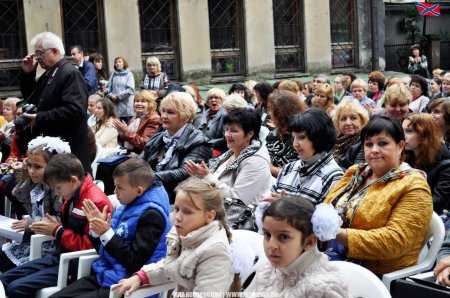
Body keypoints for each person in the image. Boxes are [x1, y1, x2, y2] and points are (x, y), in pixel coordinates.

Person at [324, 116, 433, 275]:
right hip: (333, 257)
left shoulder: (414, 186)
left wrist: (338, 234)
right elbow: (328, 206)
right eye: (369, 144)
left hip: (376, 274)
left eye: (383, 143)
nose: (374, 150)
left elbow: (395, 241)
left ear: (400, 146)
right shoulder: (356, 172)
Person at [49, 159, 171, 298]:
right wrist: (96, 231)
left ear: (138, 190)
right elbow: (105, 250)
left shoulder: (152, 216)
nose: (114, 192)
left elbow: (134, 262)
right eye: (115, 186)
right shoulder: (127, 204)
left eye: (120, 188)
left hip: (126, 286)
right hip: (105, 274)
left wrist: (106, 233)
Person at [0, 153, 112, 297]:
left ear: (73, 180)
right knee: (4, 279)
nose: (57, 193)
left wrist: (57, 231)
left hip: (75, 263)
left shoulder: (95, 202)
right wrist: (52, 226)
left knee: (16, 288)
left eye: (58, 188)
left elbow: (92, 246)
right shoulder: (72, 193)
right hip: (59, 254)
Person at [112, 177, 234, 297]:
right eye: (176, 209)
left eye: (187, 212)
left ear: (209, 216)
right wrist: (141, 277)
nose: (178, 217)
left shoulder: (215, 252)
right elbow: (171, 266)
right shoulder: (183, 233)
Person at [245, 197, 348, 297]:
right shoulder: (268, 269)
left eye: (283, 237)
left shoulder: (322, 289)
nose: (271, 245)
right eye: (267, 235)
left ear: (309, 242)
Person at [19, 31, 92, 172]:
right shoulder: (50, 73)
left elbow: (75, 110)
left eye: (40, 53)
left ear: (54, 51)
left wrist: (40, 117)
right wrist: (28, 74)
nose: (37, 58)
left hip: (69, 150)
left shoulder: (70, 73)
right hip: (52, 149)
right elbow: (32, 98)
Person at [0, 136, 69, 272]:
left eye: (37, 167)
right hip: (32, 239)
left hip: (49, 247)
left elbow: (58, 223)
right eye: (29, 165)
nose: (31, 171)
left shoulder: (60, 192)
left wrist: (31, 224)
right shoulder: (35, 186)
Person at [186, 108, 271, 206]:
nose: (227, 135)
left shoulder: (256, 161)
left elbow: (237, 200)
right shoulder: (232, 151)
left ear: (250, 134)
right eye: (226, 130)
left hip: (238, 218)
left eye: (234, 131)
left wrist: (206, 177)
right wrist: (200, 175)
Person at [141, 92, 211, 202]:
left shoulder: (199, 140)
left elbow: (185, 172)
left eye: (170, 112)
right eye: (163, 111)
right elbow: (140, 162)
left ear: (185, 115)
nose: (163, 116)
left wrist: (148, 178)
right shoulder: (159, 137)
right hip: (149, 190)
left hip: (177, 197)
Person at [270, 109, 343, 204]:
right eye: (293, 137)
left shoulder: (334, 177)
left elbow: (324, 218)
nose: (295, 144)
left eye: (301, 137)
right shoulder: (289, 168)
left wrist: (288, 206)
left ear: (319, 138)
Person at [403, 113, 450, 214]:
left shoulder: (446, 166)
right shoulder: (406, 156)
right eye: (402, 131)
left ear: (424, 134)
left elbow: (436, 203)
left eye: (409, 131)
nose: (402, 136)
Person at [266, 90, 307, 178]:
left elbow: (299, 173)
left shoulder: (300, 136)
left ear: (280, 112)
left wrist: (269, 168)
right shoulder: (273, 135)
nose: (269, 113)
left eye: (270, 109)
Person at [113, 90, 161, 154]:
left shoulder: (154, 119)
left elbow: (145, 144)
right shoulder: (135, 117)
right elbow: (127, 138)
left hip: (141, 157)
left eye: (143, 101)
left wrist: (126, 131)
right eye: (137, 101)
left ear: (150, 104)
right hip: (128, 152)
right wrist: (122, 133)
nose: (139, 104)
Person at [332, 100, 369, 169]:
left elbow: (356, 173)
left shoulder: (364, 142)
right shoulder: (336, 139)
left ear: (362, 120)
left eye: (353, 118)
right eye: (343, 119)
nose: (348, 123)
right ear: (338, 123)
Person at [197, 88, 228, 154]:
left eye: (216, 98)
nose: (213, 100)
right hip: (201, 148)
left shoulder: (225, 116)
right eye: (210, 98)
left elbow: (225, 138)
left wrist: (207, 142)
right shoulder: (203, 114)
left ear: (222, 100)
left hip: (218, 151)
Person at [107, 56, 135, 123]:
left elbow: (130, 89)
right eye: (116, 62)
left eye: (119, 62)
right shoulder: (113, 74)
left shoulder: (129, 74)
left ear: (124, 63)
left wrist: (118, 97)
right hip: (115, 105)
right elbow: (108, 88)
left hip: (126, 106)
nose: (117, 64)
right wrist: (111, 96)